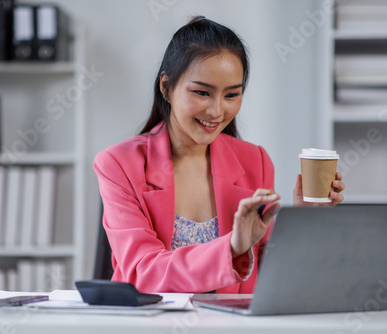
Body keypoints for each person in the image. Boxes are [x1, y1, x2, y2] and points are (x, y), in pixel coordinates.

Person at [93, 16, 345, 294]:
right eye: (202, 93)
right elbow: (142, 271)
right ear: (166, 87)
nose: (216, 111)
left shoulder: (255, 162)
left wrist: (306, 223)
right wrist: (232, 248)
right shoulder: (118, 164)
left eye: (231, 95)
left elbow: (267, 277)